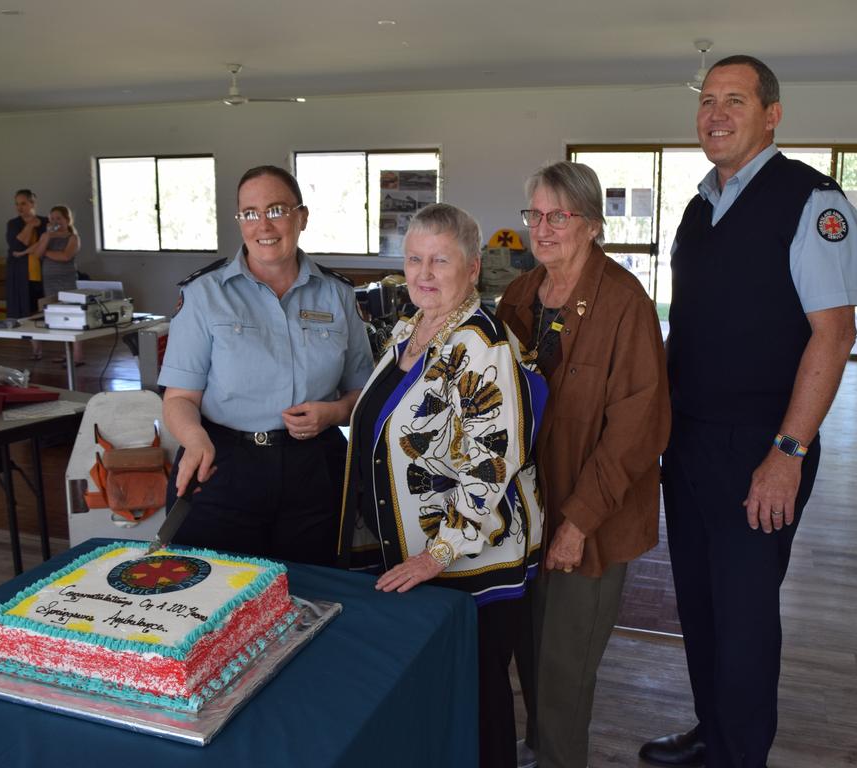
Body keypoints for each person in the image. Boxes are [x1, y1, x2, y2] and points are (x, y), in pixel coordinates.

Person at [639, 56, 857, 768]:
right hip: (692, 443)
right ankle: (713, 730)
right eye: (707, 101)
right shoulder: (699, 204)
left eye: (735, 100)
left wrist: (787, 453)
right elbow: (692, 326)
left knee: (743, 622)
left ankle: (741, 755)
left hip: (761, 450)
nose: (716, 114)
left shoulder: (812, 202)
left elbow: (835, 334)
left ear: (772, 115)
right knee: (700, 610)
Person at [338, 203, 548, 768]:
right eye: (413, 259)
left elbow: (490, 462)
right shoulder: (412, 328)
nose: (423, 273)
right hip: (414, 555)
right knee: (441, 698)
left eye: (440, 260)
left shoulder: (481, 344)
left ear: (473, 268)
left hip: (466, 563)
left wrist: (439, 554)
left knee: (478, 703)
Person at [496, 162, 670, 768]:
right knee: (530, 656)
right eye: (534, 215)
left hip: (588, 520)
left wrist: (576, 523)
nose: (542, 229)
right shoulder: (519, 295)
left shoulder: (625, 304)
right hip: (523, 515)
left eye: (559, 216)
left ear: (592, 225)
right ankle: (541, 749)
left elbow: (636, 431)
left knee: (565, 670)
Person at [158, 165, 373, 566]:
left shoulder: (338, 294)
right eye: (250, 213)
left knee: (311, 591)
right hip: (223, 464)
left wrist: (336, 412)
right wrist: (194, 438)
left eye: (276, 209)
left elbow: (361, 389)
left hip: (313, 469)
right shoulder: (204, 294)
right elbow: (180, 397)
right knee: (216, 597)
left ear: (301, 217)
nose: (263, 225)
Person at [15, 204, 84, 365]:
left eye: (58, 218)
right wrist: (45, 239)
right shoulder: (46, 236)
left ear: (67, 220)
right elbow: (37, 255)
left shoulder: (73, 237)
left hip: (67, 280)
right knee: (57, 317)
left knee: (73, 317)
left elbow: (65, 256)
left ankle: (78, 356)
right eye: (52, 218)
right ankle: (66, 352)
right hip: (50, 281)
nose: (55, 221)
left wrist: (45, 251)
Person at [4, 188, 47, 359]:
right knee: (26, 309)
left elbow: (47, 243)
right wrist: (29, 225)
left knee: (44, 308)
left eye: (23, 203)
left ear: (32, 203)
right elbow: (17, 245)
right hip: (21, 272)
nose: (19, 207)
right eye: (16, 204)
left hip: (43, 271)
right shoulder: (13, 224)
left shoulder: (45, 222)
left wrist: (25, 251)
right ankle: (36, 347)